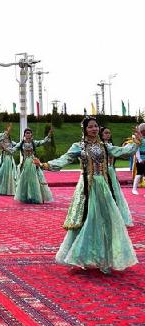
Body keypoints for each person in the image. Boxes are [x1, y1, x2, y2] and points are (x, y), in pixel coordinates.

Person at [38, 116, 140, 273]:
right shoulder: (78, 146)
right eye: (90, 126)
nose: (94, 129)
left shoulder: (105, 146)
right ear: (84, 129)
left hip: (103, 188)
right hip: (87, 187)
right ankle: (78, 256)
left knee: (107, 220)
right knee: (88, 219)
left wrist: (137, 142)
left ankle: (105, 257)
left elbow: (123, 152)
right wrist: (45, 165)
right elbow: (64, 159)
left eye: (96, 126)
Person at [100, 126, 132, 226]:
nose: (108, 135)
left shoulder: (110, 146)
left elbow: (121, 152)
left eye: (109, 133)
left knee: (113, 193)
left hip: (110, 171)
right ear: (101, 134)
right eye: (105, 133)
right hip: (101, 172)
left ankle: (115, 217)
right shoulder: (99, 146)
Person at [13, 128, 53, 204]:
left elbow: (43, 142)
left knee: (34, 179)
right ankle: (26, 196)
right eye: (26, 133)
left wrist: (49, 135)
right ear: (24, 134)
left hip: (33, 162)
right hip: (25, 163)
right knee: (25, 179)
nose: (28, 134)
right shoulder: (21, 143)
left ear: (31, 134)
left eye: (29, 133)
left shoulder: (34, 142)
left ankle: (35, 196)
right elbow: (13, 149)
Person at [0, 131, 17, 196]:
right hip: (3, 159)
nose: (5, 135)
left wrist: (5, 148)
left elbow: (16, 147)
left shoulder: (11, 142)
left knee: (9, 174)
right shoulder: (1, 142)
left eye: (6, 134)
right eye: (4, 134)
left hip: (9, 159)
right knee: (0, 173)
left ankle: (8, 189)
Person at [132, 123, 145, 195]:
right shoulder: (138, 139)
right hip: (141, 159)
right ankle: (134, 189)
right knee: (139, 174)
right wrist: (139, 159)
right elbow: (137, 150)